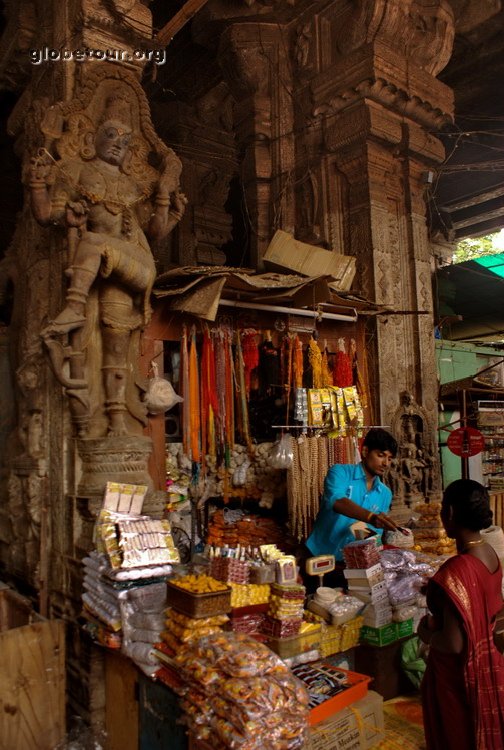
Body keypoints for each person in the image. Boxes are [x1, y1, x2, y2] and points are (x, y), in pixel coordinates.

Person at [29, 92, 186, 436]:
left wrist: (167, 209)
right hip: (105, 273)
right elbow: (46, 216)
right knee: (114, 343)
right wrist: (39, 183)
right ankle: (116, 422)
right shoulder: (75, 172)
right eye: (111, 135)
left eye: (126, 141)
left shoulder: (133, 186)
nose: (118, 144)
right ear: (91, 139)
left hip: (135, 263)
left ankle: (72, 305)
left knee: (94, 241)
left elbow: (154, 232)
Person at [418, 479, 504, 750]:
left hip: (458, 682)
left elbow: (453, 643)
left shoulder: (457, 569)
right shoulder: (489, 553)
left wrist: (426, 633)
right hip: (490, 663)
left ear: (451, 513)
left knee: (458, 738)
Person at [302, 428, 399, 587]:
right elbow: (337, 501)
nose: (385, 463)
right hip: (319, 557)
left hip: (352, 567)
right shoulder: (339, 472)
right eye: (381, 455)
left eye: (390, 458)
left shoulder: (385, 494)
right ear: (365, 451)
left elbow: (373, 537)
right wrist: (371, 517)